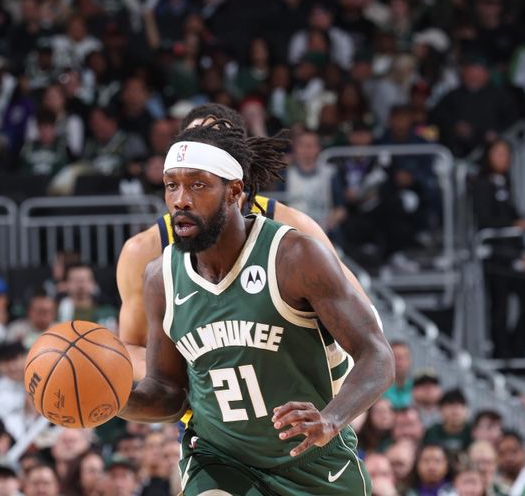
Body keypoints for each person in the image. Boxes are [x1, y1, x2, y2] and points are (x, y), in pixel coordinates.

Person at [118, 121, 394, 495]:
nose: (181, 199)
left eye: (197, 185)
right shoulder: (159, 277)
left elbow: (377, 354)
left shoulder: (295, 255)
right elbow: (168, 391)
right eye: (172, 186)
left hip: (311, 459)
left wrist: (331, 419)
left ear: (234, 191)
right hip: (219, 459)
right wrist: (113, 401)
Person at [116, 103, 374, 380]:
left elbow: (365, 323)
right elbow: (131, 345)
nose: (205, 148)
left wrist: (336, 409)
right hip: (205, 416)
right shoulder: (146, 251)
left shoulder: (294, 230)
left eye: (217, 142)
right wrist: (195, 380)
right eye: (195, 141)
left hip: (293, 404)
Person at [472, 139, 525, 359]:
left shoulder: (505, 183)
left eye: (506, 154)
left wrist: (524, 252)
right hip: (496, 257)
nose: (504, 158)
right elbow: (484, 220)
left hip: (514, 254)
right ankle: (502, 355)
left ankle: (517, 349)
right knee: (499, 308)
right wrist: (513, 225)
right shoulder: (481, 184)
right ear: (488, 156)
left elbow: (513, 216)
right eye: (498, 153)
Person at [383, 341, 413, 409]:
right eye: (395, 357)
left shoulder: (416, 388)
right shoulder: (379, 390)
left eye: (403, 357)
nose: (399, 362)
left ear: (410, 361)